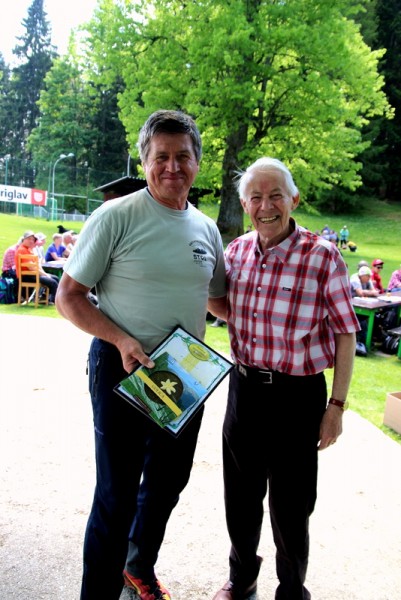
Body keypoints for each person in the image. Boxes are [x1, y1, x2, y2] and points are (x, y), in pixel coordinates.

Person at [55, 109, 226, 600]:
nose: (172, 167)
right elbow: (68, 296)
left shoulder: (206, 229)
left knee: (168, 484)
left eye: (183, 156)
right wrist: (120, 339)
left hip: (183, 374)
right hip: (122, 367)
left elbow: (218, 301)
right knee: (116, 494)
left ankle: (137, 567)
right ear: (145, 161)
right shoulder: (116, 216)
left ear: (197, 162)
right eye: (161, 157)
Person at [208, 157, 359, 600]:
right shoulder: (236, 252)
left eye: (276, 196)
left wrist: (336, 407)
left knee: (292, 506)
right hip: (244, 390)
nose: (266, 206)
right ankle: (241, 579)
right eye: (255, 197)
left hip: (298, 397)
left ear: (293, 199)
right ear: (244, 204)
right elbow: (227, 308)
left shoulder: (322, 256)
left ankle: (292, 590)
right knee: (240, 497)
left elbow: (346, 333)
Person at [15, 231, 59, 303]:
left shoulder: (29, 249)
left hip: (32, 274)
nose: (31, 241)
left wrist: (45, 274)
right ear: (24, 239)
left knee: (55, 278)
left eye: (32, 239)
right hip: (26, 276)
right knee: (53, 282)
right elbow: (31, 268)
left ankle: (46, 298)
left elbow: (37, 265)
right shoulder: (22, 250)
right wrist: (45, 275)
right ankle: (52, 301)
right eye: (29, 239)